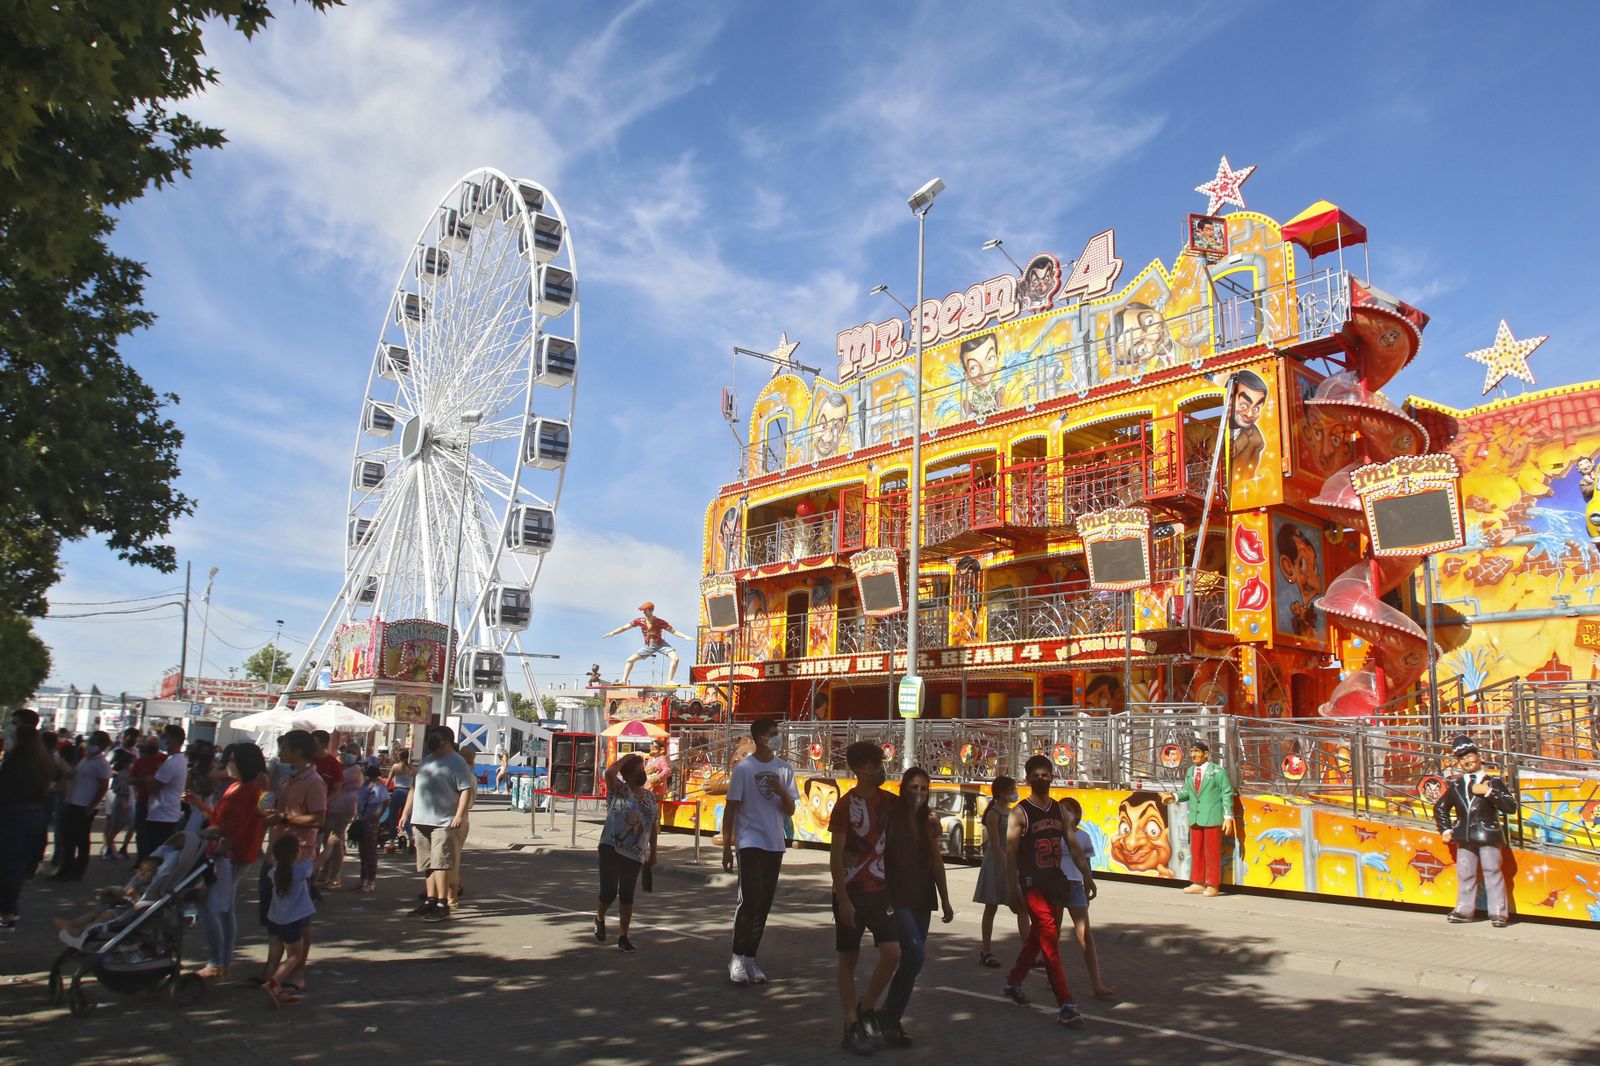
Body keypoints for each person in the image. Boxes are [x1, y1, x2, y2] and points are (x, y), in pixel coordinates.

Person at [1003, 754, 1093, 1028]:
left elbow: (1074, 845)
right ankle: (1066, 1002)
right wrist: (1011, 888)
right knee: (1050, 940)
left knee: (1037, 939)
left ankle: (1013, 982)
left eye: (1046, 774)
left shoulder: (1060, 811)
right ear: (1027, 779)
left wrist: (1087, 875)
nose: (1042, 779)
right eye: (1037, 775)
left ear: (1052, 777)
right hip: (1032, 885)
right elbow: (1011, 853)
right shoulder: (1020, 813)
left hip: (1056, 881)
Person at [829, 741, 902, 1055]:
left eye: (881, 762)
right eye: (875, 764)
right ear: (860, 769)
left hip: (882, 892)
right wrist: (842, 898)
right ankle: (850, 1023)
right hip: (852, 893)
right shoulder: (845, 806)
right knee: (848, 959)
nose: (880, 768)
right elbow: (835, 855)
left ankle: (866, 1007)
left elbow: (914, 818)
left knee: (892, 953)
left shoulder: (891, 802)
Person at [880, 767, 955, 1047]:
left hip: (923, 896)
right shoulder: (892, 817)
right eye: (913, 787)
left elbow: (937, 861)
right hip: (897, 895)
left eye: (923, 788)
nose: (919, 793)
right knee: (915, 954)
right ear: (903, 788)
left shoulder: (929, 821)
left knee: (911, 962)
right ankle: (885, 1014)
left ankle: (891, 1017)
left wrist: (946, 899)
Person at [722, 718, 799, 985]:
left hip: (774, 843)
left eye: (778, 733)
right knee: (750, 899)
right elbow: (731, 807)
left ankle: (751, 959)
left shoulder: (784, 769)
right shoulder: (744, 769)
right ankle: (737, 958)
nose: (778, 737)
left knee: (764, 903)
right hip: (749, 841)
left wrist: (782, 792)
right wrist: (727, 846)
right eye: (773, 734)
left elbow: (790, 810)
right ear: (758, 738)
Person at [255, 730, 327, 993]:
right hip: (277, 851)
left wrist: (284, 819)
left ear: (298, 751)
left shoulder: (314, 781)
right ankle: (272, 969)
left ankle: (297, 972)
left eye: (285, 748)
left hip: (299, 855)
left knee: (299, 917)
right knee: (273, 915)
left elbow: (318, 820)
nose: (281, 753)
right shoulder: (285, 778)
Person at [191, 742, 267, 981]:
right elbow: (219, 818)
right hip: (225, 854)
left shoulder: (248, 791)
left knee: (212, 907)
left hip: (230, 855)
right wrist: (198, 805)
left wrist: (204, 834)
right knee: (224, 909)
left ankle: (217, 962)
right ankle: (222, 962)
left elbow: (232, 827)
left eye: (233, 760)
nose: (228, 765)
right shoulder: (236, 786)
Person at [1434, 733, 1517, 928]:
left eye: (1470, 756)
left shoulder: (1493, 782)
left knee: (1492, 871)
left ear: (1478, 756)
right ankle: (1464, 909)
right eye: (1462, 759)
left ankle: (1498, 912)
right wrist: (1445, 829)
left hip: (1488, 834)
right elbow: (1440, 807)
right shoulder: (1457, 785)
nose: (1467, 761)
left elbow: (1510, 806)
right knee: (1465, 872)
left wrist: (1488, 792)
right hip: (1465, 836)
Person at [400, 725, 473, 922]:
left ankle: (443, 903)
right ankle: (430, 899)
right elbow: (415, 788)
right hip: (421, 819)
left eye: (436, 737)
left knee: (441, 863)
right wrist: (406, 812)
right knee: (428, 864)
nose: (432, 740)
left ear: (446, 740)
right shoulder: (427, 761)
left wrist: (459, 815)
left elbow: (466, 789)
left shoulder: (457, 763)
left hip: (443, 821)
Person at [594, 753, 660, 953]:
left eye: (644, 769)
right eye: (640, 770)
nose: (644, 773)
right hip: (611, 847)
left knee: (627, 894)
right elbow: (609, 772)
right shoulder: (619, 790)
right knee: (609, 892)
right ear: (629, 774)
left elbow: (652, 825)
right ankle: (600, 917)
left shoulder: (649, 796)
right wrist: (627, 758)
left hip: (636, 852)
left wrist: (654, 852)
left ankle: (623, 936)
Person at [1161, 740, 1236, 897]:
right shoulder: (1190, 771)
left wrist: (1228, 816)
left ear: (1206, 754)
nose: (1193, 755)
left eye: (1197, 751)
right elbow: (1187, 792)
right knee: (1197, 851)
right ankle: (1197, 881)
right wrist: (1173, 797)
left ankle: (1213, 884)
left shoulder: (1218, 772)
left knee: (1212, 852)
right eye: (1191, 752)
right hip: (1195, 817)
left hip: (1212, 817)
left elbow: (1226, 793)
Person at [0, 710, 52, 931]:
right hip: (34, 814)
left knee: (8, 867)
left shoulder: (16, 761)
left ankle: (7, 914)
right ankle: (9, 912)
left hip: (14, 816)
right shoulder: (43, 759)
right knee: (16, 867)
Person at [1057, 797, 1113, 998]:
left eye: (1070, 810)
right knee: (1052, 935)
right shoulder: (1053, 835)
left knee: (1084, 934)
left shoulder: (1083, 837)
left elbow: (1086, 863)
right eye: (1062, 809)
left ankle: (1096, 983)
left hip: (1075, 885)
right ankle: (1052, 977)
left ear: (1077, 815)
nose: (1066, 813)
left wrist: (1088, 882)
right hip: (1055, 886)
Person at [973, 774, 1029, 968]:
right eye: (1012, 789)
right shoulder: (993, 814)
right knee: (992, 906)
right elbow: (996, 846)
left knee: (1021, 907)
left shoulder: (1013, 812)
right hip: (997, 864)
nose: (1015, 792)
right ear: (1003, 792)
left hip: (1011, 862)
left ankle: (1028, 951)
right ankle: (986, 951)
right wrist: (1009, 868)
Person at [262, 834, 315, 1007]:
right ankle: (274, 982)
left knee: (274, 956)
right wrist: (325, 847)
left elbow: (270, 857)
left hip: (274, 919)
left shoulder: (274, 871)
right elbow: (317, 863)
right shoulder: (301, 871)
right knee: (294, 956)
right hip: (293, 920)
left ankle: (272, 986)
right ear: (296, 854)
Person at [52, 856, 160, 937]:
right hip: (123, 906)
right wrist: (113, 889)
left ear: (156, 874)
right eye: (141, 870)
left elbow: (142, 904)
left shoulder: (152, 887)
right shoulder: (137, 881)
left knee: (105, 915)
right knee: (96, 912)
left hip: (133, 913)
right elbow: (125, 890)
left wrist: (133, 895)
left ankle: (82, 930)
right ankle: (72, 924)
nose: (142, 873)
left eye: (148, 871)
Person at [55, 730, 112, 882]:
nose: (90, 745)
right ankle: (65, 868)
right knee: (67, 838)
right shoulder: (86, 759)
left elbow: (103, 787)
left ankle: (78, 871)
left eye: (93, 742)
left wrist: (90, 806)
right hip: (73, 801)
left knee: (81, 838)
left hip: (84, 805)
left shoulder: (102, 763)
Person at [602, 601, 692, 686]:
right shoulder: (640, 621)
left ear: (650, 610)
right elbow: (625, 627)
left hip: (661, 645)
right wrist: (613, 632)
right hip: (649, 646)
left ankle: (669, 680)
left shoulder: (660, 622)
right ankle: (624, 681)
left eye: (644, 610)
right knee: (630, 660)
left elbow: (674, 631)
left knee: (675, 658)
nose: (643, 612)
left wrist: (685, 636)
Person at [134, 725, 188, 861]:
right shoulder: (177, 760)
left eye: (165, 736)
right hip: (165, 813)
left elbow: (154, 788)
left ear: (174, 739)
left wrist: (147, 779)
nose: (161, 739)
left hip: (162, 815)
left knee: (154, 854)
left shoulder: (172, 763)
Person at [316, 749, 361, 889]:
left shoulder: (354, 770)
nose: (347, 755)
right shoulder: (347, 768)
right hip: (334, 807)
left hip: (343, 809)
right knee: (328, 840)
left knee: (334, 841)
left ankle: (334, 877)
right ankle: (325, 874)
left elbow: (337, 779)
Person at [449, 744, 479, 907]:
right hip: (463, 816)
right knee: (453, 855)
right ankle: (454, 885)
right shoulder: (471, 776)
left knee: (450, 857)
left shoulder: (461, 775)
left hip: (455, 816)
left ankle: (451, 893)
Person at [354, 764, 389, 893]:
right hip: (362, 819)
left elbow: (384, 803)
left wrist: (378, 817)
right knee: (362, 850)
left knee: (370, 851)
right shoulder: (364, 786)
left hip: (371, 821)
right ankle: (363, 879)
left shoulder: (378, 787)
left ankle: (371, 880)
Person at [128, 735, 165, 857]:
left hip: (159, 801)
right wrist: (145, 780)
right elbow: (130, 779)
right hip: (142, 799)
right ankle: (141, 858)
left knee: (154, 832)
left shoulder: (165, 759)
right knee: (141, 831)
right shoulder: (140, 761)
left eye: (153, 744)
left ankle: (153, 858)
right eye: (148, 744)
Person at [102, 749, 135, 859]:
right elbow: (119, 790)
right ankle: (109, 848)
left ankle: (117, 848)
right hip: (121, 803)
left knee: (127, 825)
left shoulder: (128, 774)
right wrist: (124, 803)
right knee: (116, 826)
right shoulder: (122, 774)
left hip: (127, 802)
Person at [383, 751, 414, 853]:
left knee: (393, 817)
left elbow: (388, 782)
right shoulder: (412, 768)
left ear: (399, 756)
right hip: (409, 793)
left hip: (398, 791)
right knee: (407, 818)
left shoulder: (395, 767)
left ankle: (391, 842)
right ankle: (411, 837)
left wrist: (383, 792)